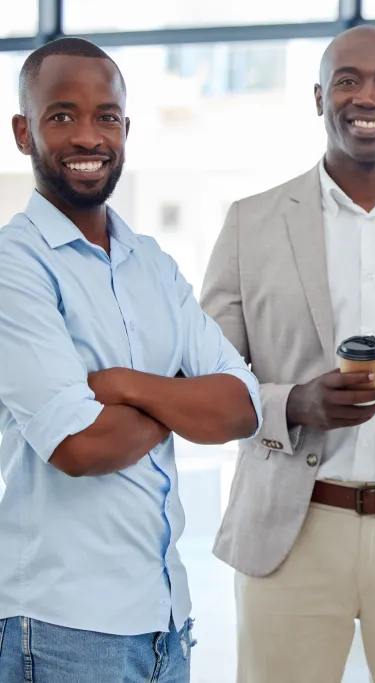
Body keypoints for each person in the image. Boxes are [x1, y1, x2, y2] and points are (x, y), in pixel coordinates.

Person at [200, 25, 375, 683]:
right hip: (292, 526)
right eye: (347, 79)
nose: (366, 96)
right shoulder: (250, 222)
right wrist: (293, 402)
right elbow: (203, 376)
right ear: (319, 96)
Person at [0, 38, 262, 683]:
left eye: (106, 116)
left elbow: (241, 405)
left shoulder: (153, 263)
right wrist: (178, 395)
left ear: (125, 128)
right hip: (61, 627)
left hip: (165, 620)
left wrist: (121, 386)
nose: (88, 136)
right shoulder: (15, 266)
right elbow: (81, 446)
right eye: (60, 116)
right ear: (23, 133)